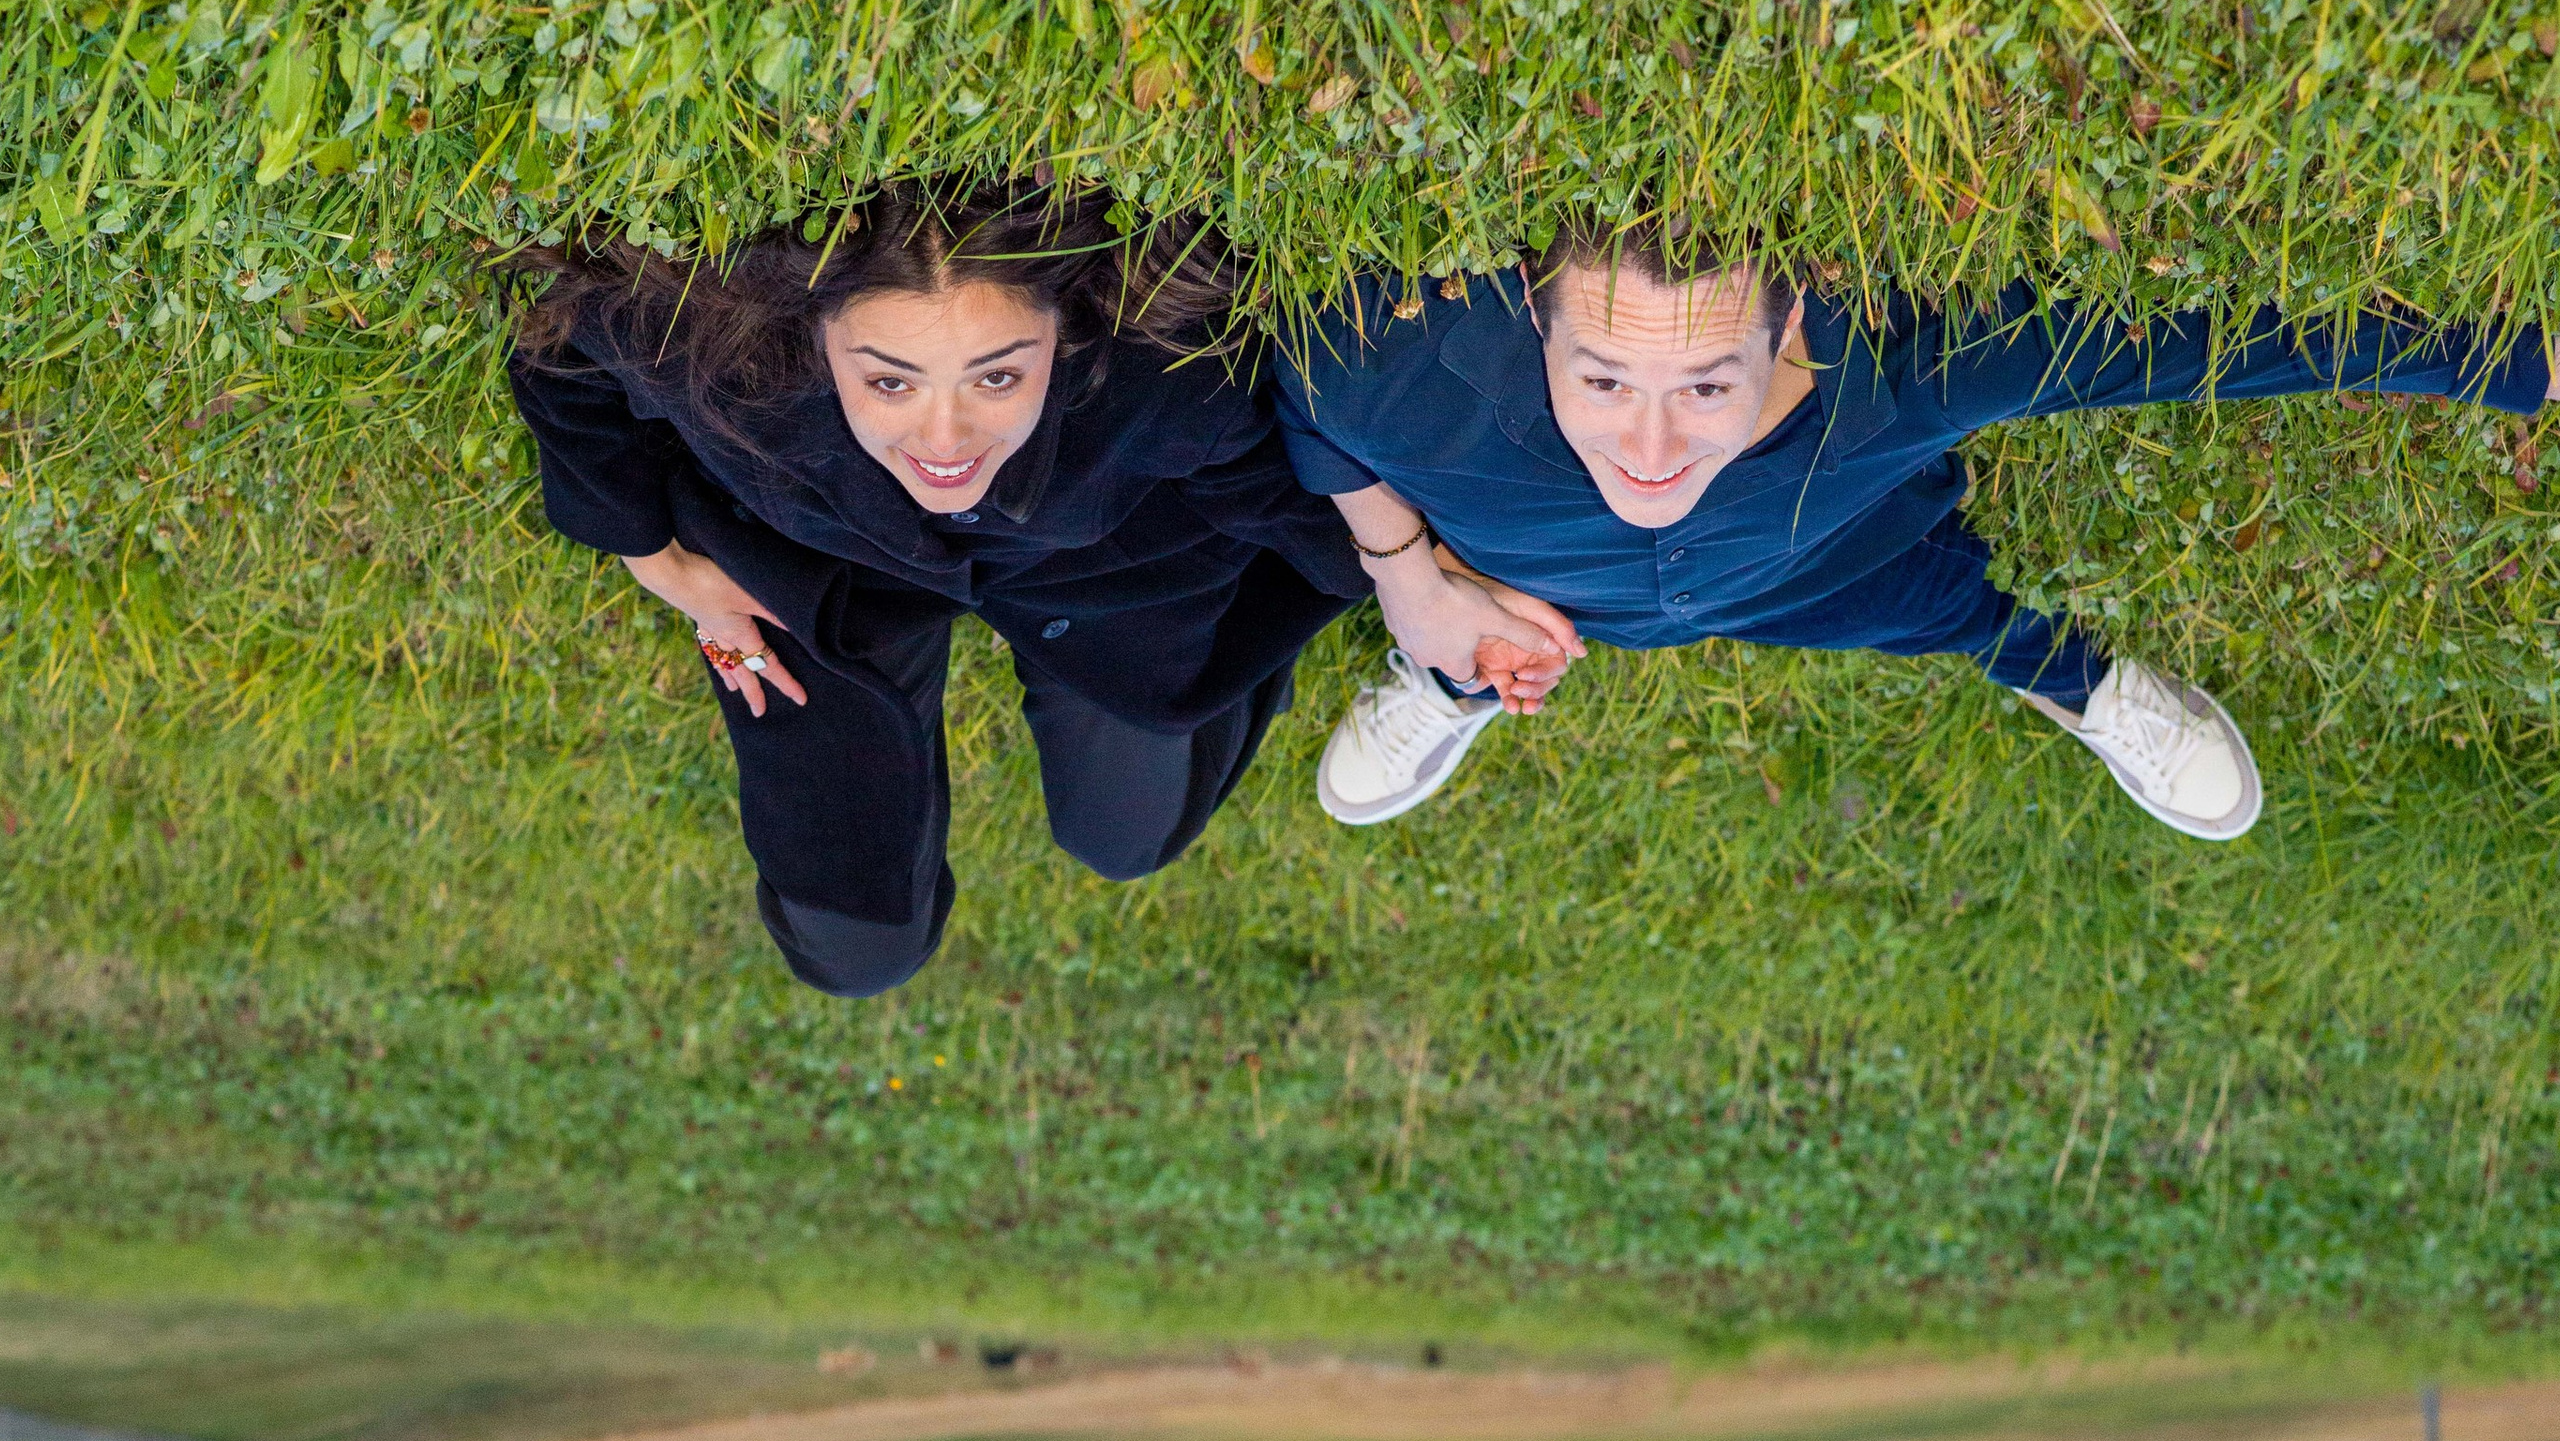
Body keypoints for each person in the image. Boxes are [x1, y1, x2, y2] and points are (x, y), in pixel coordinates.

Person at [1281, 230, 2554, 838]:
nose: (1653, 453)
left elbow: (2190, 350)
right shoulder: (1385, 367)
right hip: (1534, 593)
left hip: (1829, 561)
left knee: (1949, 612)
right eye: (1603, 380)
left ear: (1786, 338)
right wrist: (1410, 584)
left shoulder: (1905, 369)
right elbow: (1306, 410)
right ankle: (1453, 671)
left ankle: (2074, 686)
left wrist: (2514, 364)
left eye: (1707, 387)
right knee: (1472, 630)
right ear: (1532, 320)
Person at [510, 187, 1364, 995]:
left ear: (1060, 339)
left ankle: (1156, 684)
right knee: (852, 946)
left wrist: (1422, 585)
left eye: (997, 377)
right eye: (890, 382)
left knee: (1128, 837)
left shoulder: (1160, 381)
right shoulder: (730, 364)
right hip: (827, 573)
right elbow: (561, 349)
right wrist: (654, 557)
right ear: (817, 342)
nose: (945, 440)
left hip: (1097, 568)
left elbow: (1292, 500)